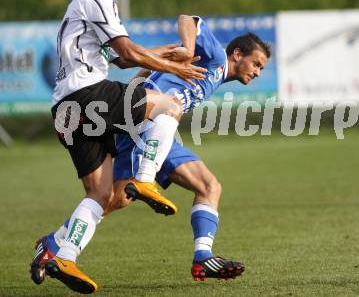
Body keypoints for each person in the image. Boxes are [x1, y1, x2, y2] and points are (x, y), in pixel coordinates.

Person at [33, 14, 271, 283]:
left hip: (159, 133)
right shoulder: (215, 56)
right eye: (256, 64)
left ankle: (203, 258)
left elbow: (151, 69)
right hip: (145, 128)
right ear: (237, 54)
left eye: (262, 68)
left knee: (206, 187)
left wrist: (139, 85)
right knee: (114, 197)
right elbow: (188, 20)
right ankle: (59, 245)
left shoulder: (215, 73)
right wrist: (189, 50)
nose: (257, 71)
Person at [29, 0, 206, 294]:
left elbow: (122, 59)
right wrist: (174, 66)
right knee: (170, 105)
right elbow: (126, 52)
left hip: (64, 110)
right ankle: (144, 178)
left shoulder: (84, 7)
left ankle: (62, 255)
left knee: (102, 194)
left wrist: (168, 53)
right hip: (87, 94)